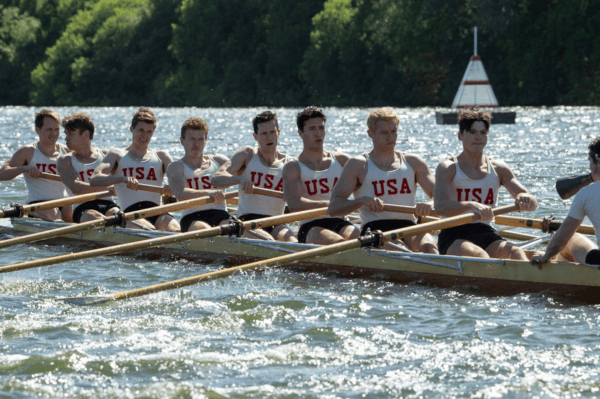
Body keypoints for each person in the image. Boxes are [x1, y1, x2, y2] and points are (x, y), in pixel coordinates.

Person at [328, 108, 437, 253]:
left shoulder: (413, 162)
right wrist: (361, 201)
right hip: (375, 231)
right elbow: (334, 207)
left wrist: (429, 204)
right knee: (402, 251)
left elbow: (440, 197)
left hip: (409, 227)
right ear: (370, 134)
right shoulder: (358, 165)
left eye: (394, 131)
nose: (390, 137)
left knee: (430, 248)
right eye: (384, 133)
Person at [433, 109, 537, 259]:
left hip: (485, 231)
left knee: (516, 252)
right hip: (453, 234)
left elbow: (533, 204)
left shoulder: (499, 168)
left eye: (483, 133)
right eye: (472, 132)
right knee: (480, 256)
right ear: (460, 135)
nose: (478, 138)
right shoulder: (448, 168)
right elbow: (440, 207)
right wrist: (471, 205)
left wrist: (525, 198)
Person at [90, 107, 180, 231]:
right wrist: (122, 179)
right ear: (131, 129)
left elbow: (181, 179)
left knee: (176, 230)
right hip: (130, 213)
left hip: (157, 212)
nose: (145, 135)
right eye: (141, 130)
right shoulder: (117, 155)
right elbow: (94, 179)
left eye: (149, 131)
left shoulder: (161, 156)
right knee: (149, 230)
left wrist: (172, 185)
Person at [212, 111, 296, 241]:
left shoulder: (289, 163)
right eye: (264, 133)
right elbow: (217, 178)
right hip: (248, 221)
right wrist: (240, 180)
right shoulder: (248, 154)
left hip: (277, 222)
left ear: (278, 133)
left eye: (272, 132)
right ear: (255, 136)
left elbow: (300, 198)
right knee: (269, 242)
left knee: (293, 242)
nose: (269, 138)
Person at [282, 106, 360, 244]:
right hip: (310, 226)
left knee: (360, 240)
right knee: (341, 244)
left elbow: (366, 187)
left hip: (340, 221)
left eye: (321, 128)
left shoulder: (342, 161)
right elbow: (294, 204)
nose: (318, 133)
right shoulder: (293, 167)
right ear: (300, 133)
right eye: (312, 129)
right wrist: (329, 204)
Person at [530, 138, 600, 267]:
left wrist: (545, 256)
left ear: (598, 160)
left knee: (571, 238)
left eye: (590, 162)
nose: (589, 168)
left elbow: (560, 239)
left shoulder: (586, 193)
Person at [0, 109, 72, 222]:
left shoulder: (67, 152)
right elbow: (2, 174)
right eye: (49, 129)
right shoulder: (28, 151)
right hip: (37, 205)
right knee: (52, 212)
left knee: (72, 208)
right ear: (37, 130)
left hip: (62, 204)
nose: (54, 133)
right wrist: (25, 168)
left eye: (56, 129)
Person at [166, 117, 230, 232]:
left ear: (205, 141)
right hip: (193, 218)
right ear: (182, 141)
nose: (196, 144)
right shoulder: (175, 167)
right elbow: (181, 194)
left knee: (230, 229)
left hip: (221, 214)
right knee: (204, 230)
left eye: (200, 139)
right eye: (192, 139)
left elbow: (242, 177)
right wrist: (210, 192)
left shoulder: (220, 162)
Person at [56, 113, 120, 224]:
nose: (66, 139)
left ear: (85, 135)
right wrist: (107, 188)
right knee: (94, 217)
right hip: (83, 208)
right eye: (66, 134)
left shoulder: (106, 155)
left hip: (108, 205)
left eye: (71, 134)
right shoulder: (65, 160)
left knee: (118, 214)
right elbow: (76, 187)